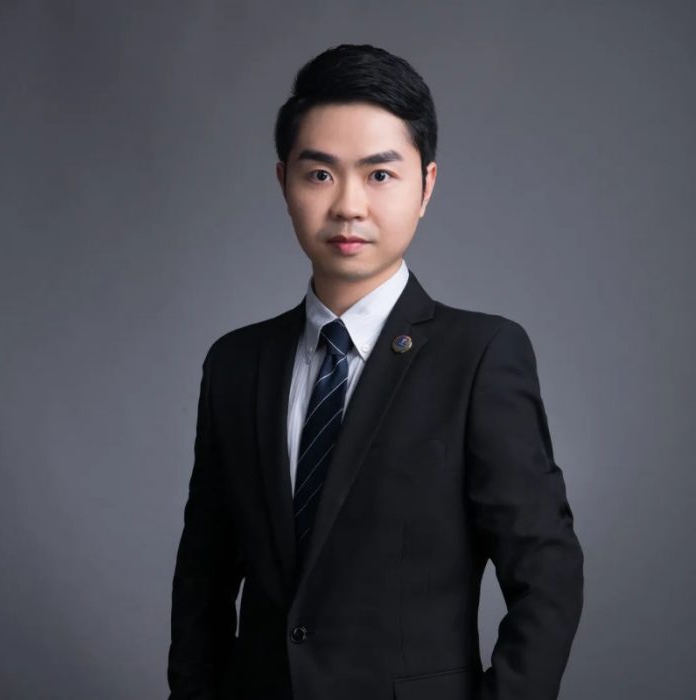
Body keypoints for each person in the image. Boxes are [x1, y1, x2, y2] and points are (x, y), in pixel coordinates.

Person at [167, 43, 584, 700]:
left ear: (427, 186)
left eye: (380, 174)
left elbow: (547, 575)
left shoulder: (480, 356)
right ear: (283, 183)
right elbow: (203, 575)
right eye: (320, 174)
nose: (349, 206)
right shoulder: (236, 364)